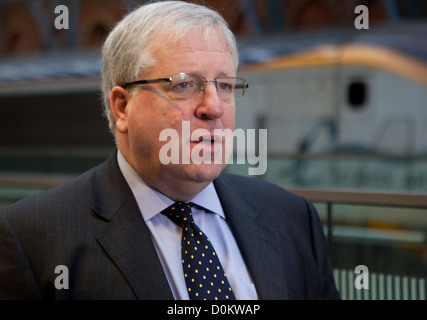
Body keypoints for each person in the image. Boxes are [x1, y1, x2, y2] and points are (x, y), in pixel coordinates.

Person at [0, 1, 340, 300]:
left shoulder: (293, 218)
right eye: (184, 85)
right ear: (122, 107)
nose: (214, 107)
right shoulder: (31, 239)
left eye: (224, 85)